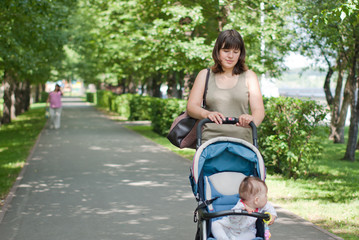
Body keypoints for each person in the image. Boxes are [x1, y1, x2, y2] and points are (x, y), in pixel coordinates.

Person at [187, 29, 265, 144]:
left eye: (235, 51)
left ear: (240, 53)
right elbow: (191, 107)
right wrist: (207, 114)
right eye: (226, 50)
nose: (230, 56)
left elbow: (259, 111)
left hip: (242, 143)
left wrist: (251, 119)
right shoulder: (205, 75)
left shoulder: (249, 76)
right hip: (210, 143)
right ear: (217, 51)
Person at [212, 176, 277, 240]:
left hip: (246, 231)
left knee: (251, 235)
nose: (267, 198)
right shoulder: (240, 205)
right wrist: (243, 210)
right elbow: (233, 218)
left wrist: (273, 215)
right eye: (265, 195)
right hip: (230, 227)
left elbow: (270, 208)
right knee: (215, 225)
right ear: (256, 200)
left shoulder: (262, 206)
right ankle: (223, 238)